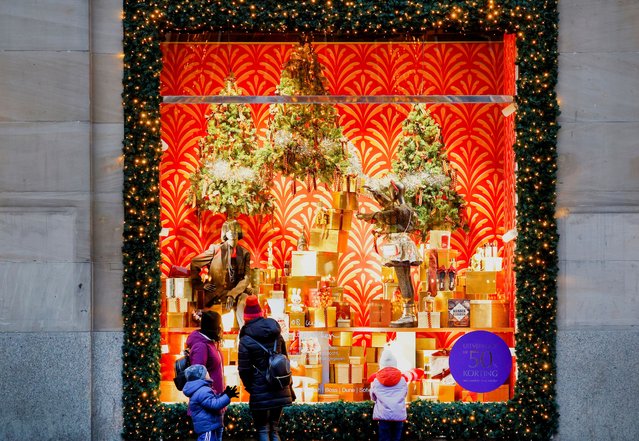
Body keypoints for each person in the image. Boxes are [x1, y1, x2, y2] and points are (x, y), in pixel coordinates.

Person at [357, 180, 422, 327]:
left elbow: (381, 214)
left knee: (403, 278)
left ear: (395, 192)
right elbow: (387, 205)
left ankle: (408, 315)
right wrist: (375, 193)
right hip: (406, 243)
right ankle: (409, 314)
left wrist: (363, 216)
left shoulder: (398, 211)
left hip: (399, 246)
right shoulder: (408, 208)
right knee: (406, 277)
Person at [237, 294, 295, 441]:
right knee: (274, 429)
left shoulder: (245, 339)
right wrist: (288, 384)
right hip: (279, 386)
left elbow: (244, 370)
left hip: (259, 387)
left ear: (246, 317)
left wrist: (252, 387)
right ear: (261, 313)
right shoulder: (276, 333)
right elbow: (285, 361)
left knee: (263, 429)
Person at [191, 219, 253, 326]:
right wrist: (201, 285)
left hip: (235, 292)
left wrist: (232, 294)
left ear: (239, 233)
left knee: (245, 299)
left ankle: (244, 331)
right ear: (225, 234)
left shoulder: (244, 253)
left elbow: (246, 278)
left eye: (235, 230)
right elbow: (194, 263)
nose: (232, 233)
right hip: (216, 294)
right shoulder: (215, 250)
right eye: (229, 231)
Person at [182, 364, 239, 441]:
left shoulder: (201, 389)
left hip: (209, 426)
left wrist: (223, 395)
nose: (208, 373)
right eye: (206, 372)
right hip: (207, 428)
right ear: (201, 376)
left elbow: (211, 401)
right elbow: (214, 404)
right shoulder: (202, 391)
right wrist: (227, 396)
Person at [370, 348, 408, 441]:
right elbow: (405, 394)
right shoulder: (402, 380)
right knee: (396, 438)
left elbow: (373, 396)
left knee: (384, 438)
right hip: (398, 414)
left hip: (383, 414)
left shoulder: (376, 380)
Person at [186, 310, 225, 393]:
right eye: (219, 325)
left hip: (215, 399)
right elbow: (197, 378)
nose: (221, 328)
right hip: (208, 400)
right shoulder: (201, 346)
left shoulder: (211, 343)